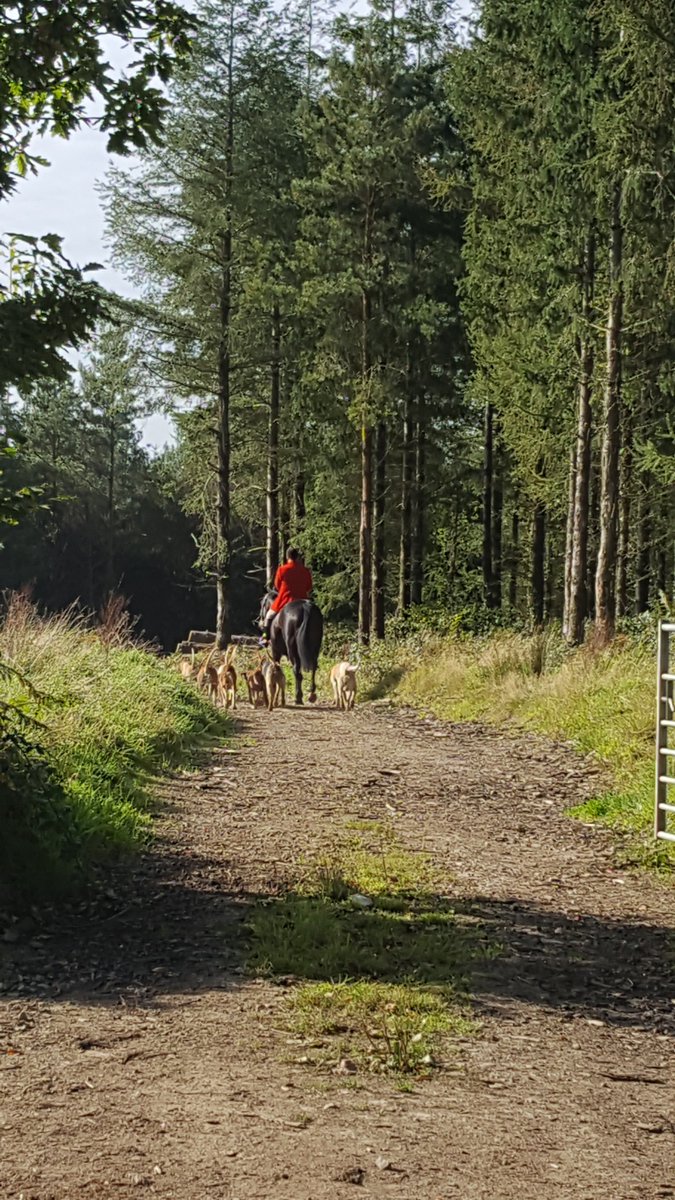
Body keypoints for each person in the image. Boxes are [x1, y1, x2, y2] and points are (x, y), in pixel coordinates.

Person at [261, 548, 313, 645]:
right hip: (303, 600)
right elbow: (309, 587)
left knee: (268, 616)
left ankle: (264, 638)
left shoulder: (282, 569)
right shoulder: (305, 570)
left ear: (287, 557)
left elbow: (277, 585)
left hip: (285, 600)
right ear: (297, 557)